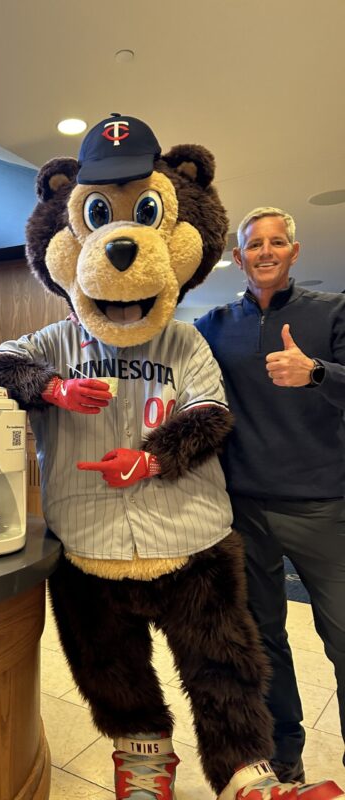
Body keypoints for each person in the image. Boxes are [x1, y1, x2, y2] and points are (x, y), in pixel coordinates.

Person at [195, 206, 345, 783]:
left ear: (294, 251)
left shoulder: (332, 313)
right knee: (265, 644)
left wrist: (317, 373)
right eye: (254, 244)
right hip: (244, 510)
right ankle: (285, 753)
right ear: (239, 257)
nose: (265, 251)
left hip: (322, 507)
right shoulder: (212, 325)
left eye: (276, 242)